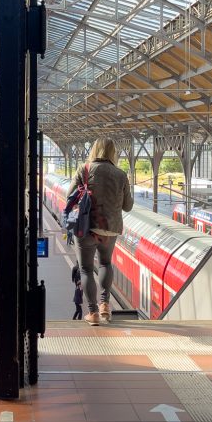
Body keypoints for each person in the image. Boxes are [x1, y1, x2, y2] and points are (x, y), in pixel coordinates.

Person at [68, 137, 133, 326]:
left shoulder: (84, 169)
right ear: (113, 153)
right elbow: (128, 206)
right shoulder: (121, 174)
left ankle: (93, 313)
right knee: (105, 263)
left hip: (87, 227)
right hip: (110, 229)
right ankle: (105, 304)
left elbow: (69, 196)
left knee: (86, 268)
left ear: (94, 150)